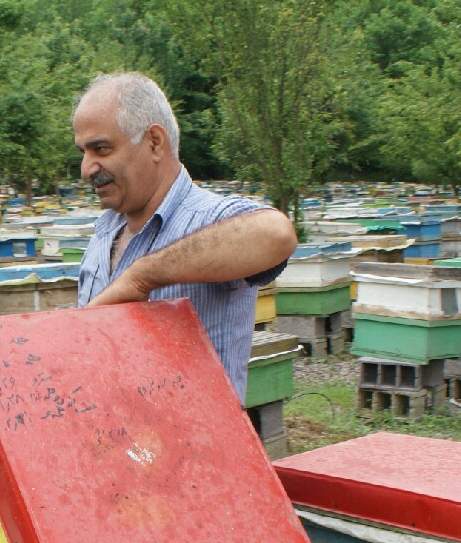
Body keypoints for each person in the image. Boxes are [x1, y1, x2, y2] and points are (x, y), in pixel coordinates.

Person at [72, 72, 297, 398]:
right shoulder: (104, 232)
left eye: (101, 149)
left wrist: (141, 277)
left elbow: (276, 234)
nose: (86, 168)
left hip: (195, 445)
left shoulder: (208, 219)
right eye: (83, 152)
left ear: (154, 143)